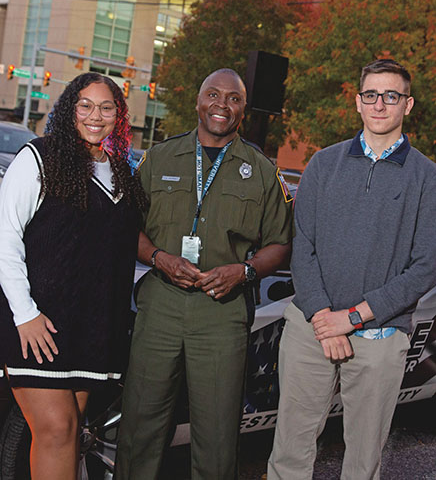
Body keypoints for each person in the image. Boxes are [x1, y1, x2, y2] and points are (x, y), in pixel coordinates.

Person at [115, 68, 292, 479]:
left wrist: (244, 271)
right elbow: (128, 229)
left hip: (222, 313)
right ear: (198, 101)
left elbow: (280, 244)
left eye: (233, 99)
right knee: (140, 424)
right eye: (213, 95)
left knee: (216, 435)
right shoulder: (159, 158)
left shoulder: (261, 170)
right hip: (160, 304)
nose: (222, 105)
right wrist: (159, 257)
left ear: (243, 109)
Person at [267, 58, 436, 480]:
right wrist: (325, 317)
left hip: (379, 334)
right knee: (290, 449)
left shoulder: (427, 178)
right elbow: (302, 245)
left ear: (408, 105)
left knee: (363, 461)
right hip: (312, 327)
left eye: (391, 96)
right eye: (371, 95)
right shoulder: (323, 164)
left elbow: (425, 267)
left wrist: (353, 317)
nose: (380, 104)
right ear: (358, 103)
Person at [0, 72, 147, 480]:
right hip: (39, 325)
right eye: (85, 105)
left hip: (93, 330)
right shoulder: (39, 156)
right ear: (69, 109)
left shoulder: (122, 171)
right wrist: (24, 314)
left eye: (106, 107)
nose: (95, 116)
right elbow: (4, 236)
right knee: (57, 429)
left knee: (69, 434)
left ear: (119, 115)